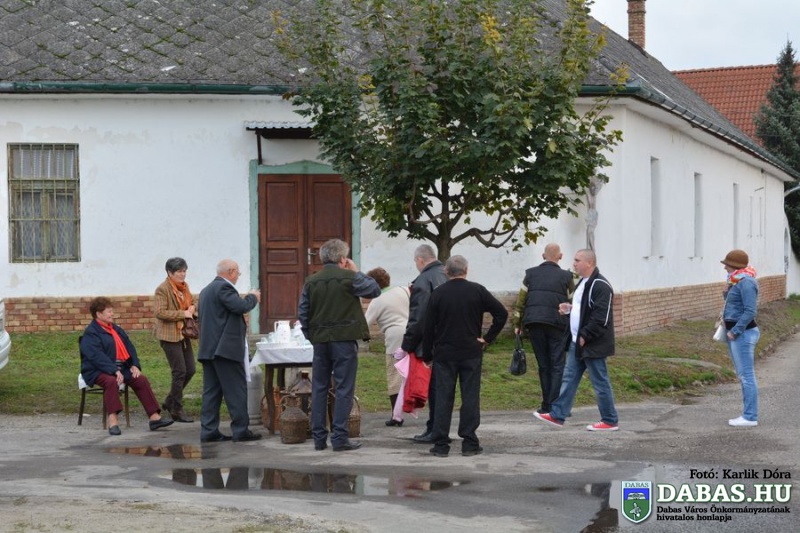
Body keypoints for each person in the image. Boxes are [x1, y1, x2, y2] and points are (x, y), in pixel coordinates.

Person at [298, 239, 381, 452]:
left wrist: (311, 335)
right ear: (343, 259)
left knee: (319, 387)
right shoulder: (350, 278)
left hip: (321, 340)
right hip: (344, 338)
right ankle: (340, 437)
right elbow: (374, 290)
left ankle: (318, 438)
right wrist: (356, 271)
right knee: (344, 387)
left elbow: (303, 312)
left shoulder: (311, 281)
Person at [422, 255, 508, 457]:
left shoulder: (438, 294)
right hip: (471, 351)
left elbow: (428, 327)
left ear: (446, 271)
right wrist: (487, 338)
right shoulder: (477, 291)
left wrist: (427, 355)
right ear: (466, 270)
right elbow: (501, 313)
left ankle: (441, 444)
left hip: (445, 353)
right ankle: (469, 442)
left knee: (443, 398)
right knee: (470, 397)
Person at [534, 249, 619, 431]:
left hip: (592, 343)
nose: (574, 263)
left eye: (577, 260)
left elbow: (601, 318)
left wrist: (585, 335)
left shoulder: (600, 285)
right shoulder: (583, 283)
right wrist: (569, 310)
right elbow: (584, 310)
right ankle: (557, 415)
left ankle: (610, 420)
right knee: (569, 378)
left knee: (600, 382)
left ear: (589, 263)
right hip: (577, 341)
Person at [80, 297, 174, 436]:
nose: (112, 314)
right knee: (111, 381)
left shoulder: (116, 329)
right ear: (98, 314)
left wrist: (135, 365)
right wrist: (113, 370)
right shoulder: (91, 332)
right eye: (109, 311)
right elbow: (95, 356)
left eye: (112, 311)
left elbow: (130, 347)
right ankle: (113, 422)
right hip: (97, 370)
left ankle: (154, 418)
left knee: (140, 380)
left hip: (120, 369)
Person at [197, 259, 261, 443]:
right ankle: (240, 430)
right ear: (231, 271)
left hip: (209, 349)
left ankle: (209, 430)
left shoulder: (206, 290)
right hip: (225, 349)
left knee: (212, 392)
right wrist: (253, 297)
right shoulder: (224, 288)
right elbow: (240, 306)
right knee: (236, 391)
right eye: (238, 273)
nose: (238, 277)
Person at [512, 243, 575, 414]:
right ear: (560, 256)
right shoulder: (567, 277)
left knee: (543, 365)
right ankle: (556, 406)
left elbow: (521, 301)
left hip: (534, 323)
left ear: (543, 256)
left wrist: (517, 324)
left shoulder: (530, 274)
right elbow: (573, 302)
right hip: (557, 325)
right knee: (557, 365)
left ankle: (546, 405)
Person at [398, 244, 448, 443]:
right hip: (448, 339)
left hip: (431, 342)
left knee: (434, 388)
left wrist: (407, 345)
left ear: (420, 260)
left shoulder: (423, 281)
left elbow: (418, 318)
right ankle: (438, 428)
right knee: (443, 388)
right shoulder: (446, 274)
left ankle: (435, 430)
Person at [364, 267, 410, 426]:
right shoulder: (404, 290)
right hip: (412, 333)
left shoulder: (377, 301)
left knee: (394, 375)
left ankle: (397, 416)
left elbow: (365, 324)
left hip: (394, 338)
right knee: (413, 372)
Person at [154, 257, 197, 423]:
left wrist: (192, 307)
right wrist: (182, 314)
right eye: (179, 271)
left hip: (183, 334)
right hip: (169, 335)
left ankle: (169, 401)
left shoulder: (184, 287)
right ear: (169, 273)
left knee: (190, 369)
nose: (183, 274)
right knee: (179, 371)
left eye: (184, 271)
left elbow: (191, 302)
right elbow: (160, 312)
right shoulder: (162, 289)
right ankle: (176, 409)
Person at [720, 249, 760, 427]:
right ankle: (748, 415)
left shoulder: (747, 282)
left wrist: (735, 331)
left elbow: (750, 311)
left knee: (746, 376)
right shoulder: (737, 280)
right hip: (737, 333)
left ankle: (750, 417)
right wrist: (726, 293)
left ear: (734, 265)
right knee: (743, 375)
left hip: (743, 334)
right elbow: (734, 305)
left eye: (727, 265)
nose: (725, 268)